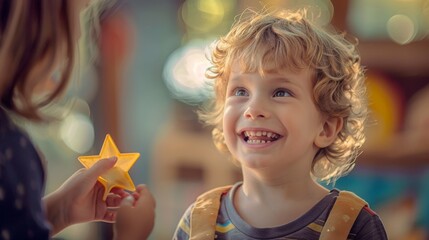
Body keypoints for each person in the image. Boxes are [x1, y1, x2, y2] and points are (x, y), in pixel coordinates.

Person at [173, 9, 388, 239]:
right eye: (240, 91)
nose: (253, 109)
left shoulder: (355, 227)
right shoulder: (199, 221)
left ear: (325, 128)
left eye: (280, 92)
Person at [0, 1, 155, 239]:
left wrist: (58, 211)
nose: (80, 33)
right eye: (79, 14)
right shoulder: (11, 153)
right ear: (41, 20)